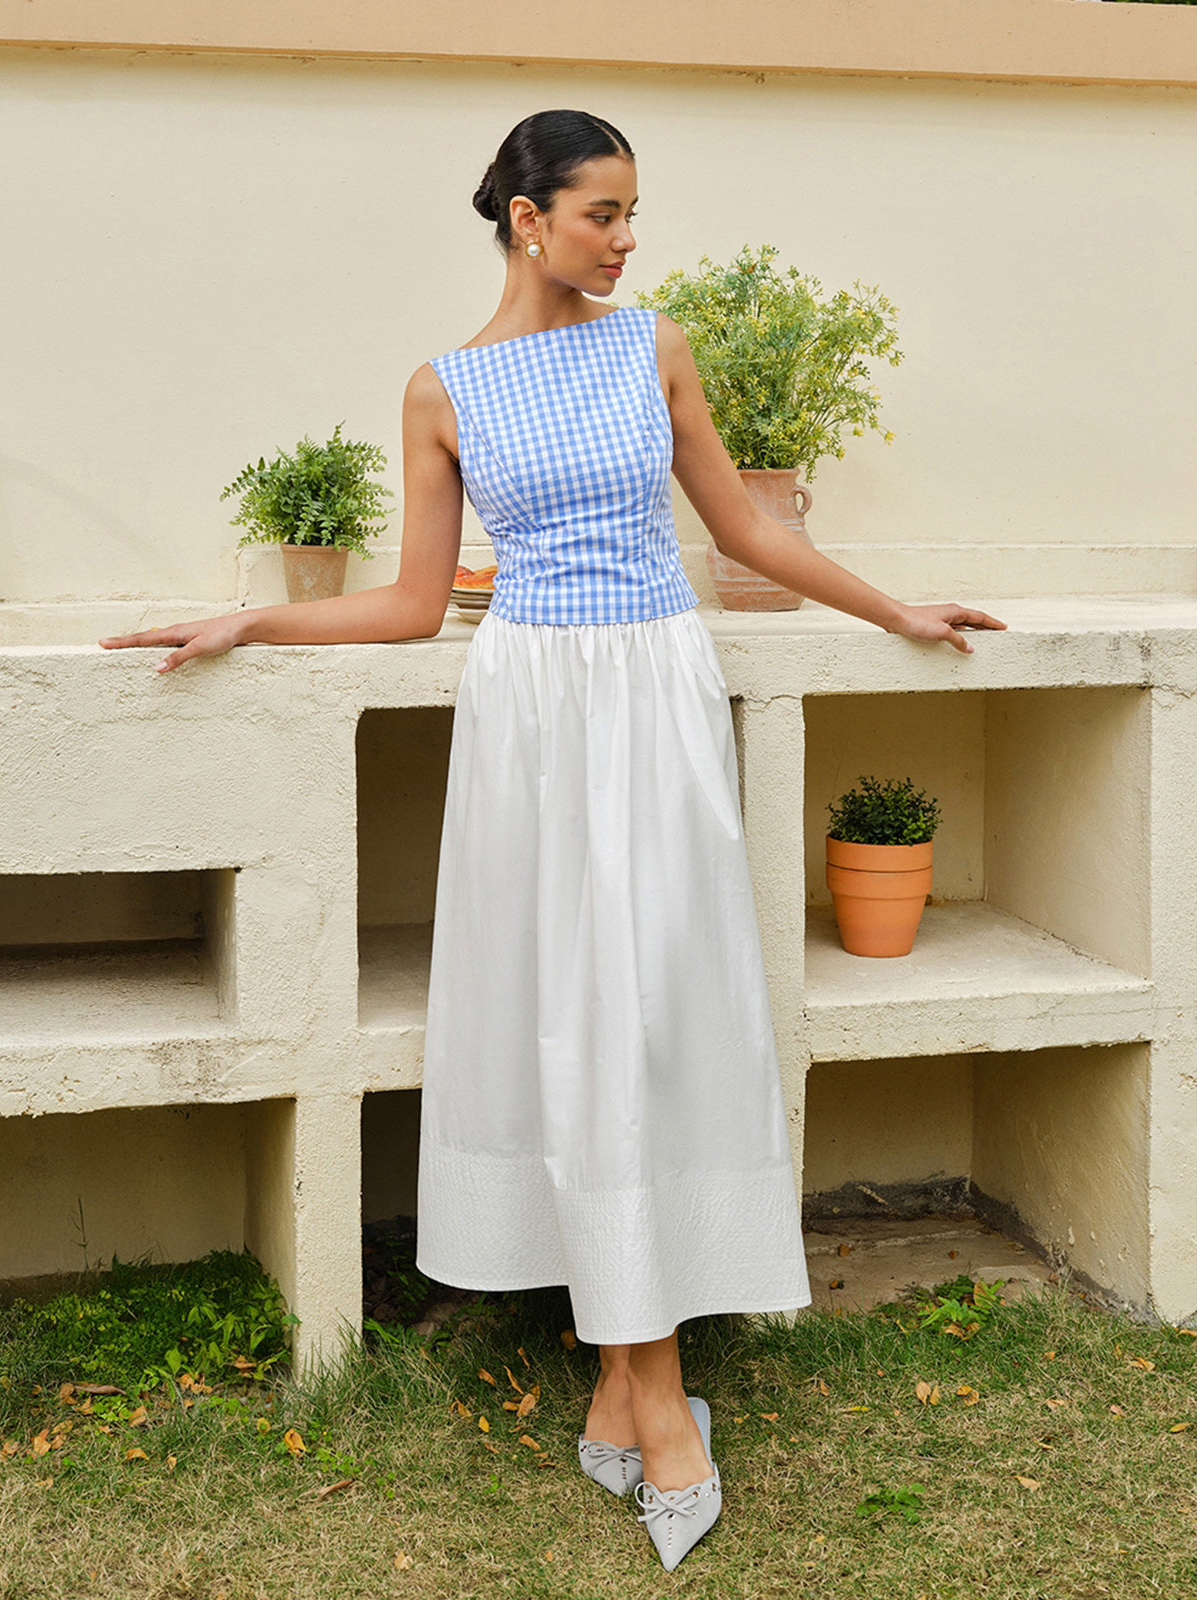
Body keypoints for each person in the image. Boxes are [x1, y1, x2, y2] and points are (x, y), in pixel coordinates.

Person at [102, 109, 1005, 1571]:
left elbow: (742, 533)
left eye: (634, 213)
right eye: (604, 214)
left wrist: (894, 608)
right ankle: (648, 1393)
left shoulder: (654, 348)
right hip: (530, 714)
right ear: (528, 220)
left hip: (656, 693)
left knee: (655, 1014)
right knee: (568, 1025)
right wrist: (250, 620)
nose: (628, 238)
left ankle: (631, 1376)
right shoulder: (442, 389)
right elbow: (413, 604)